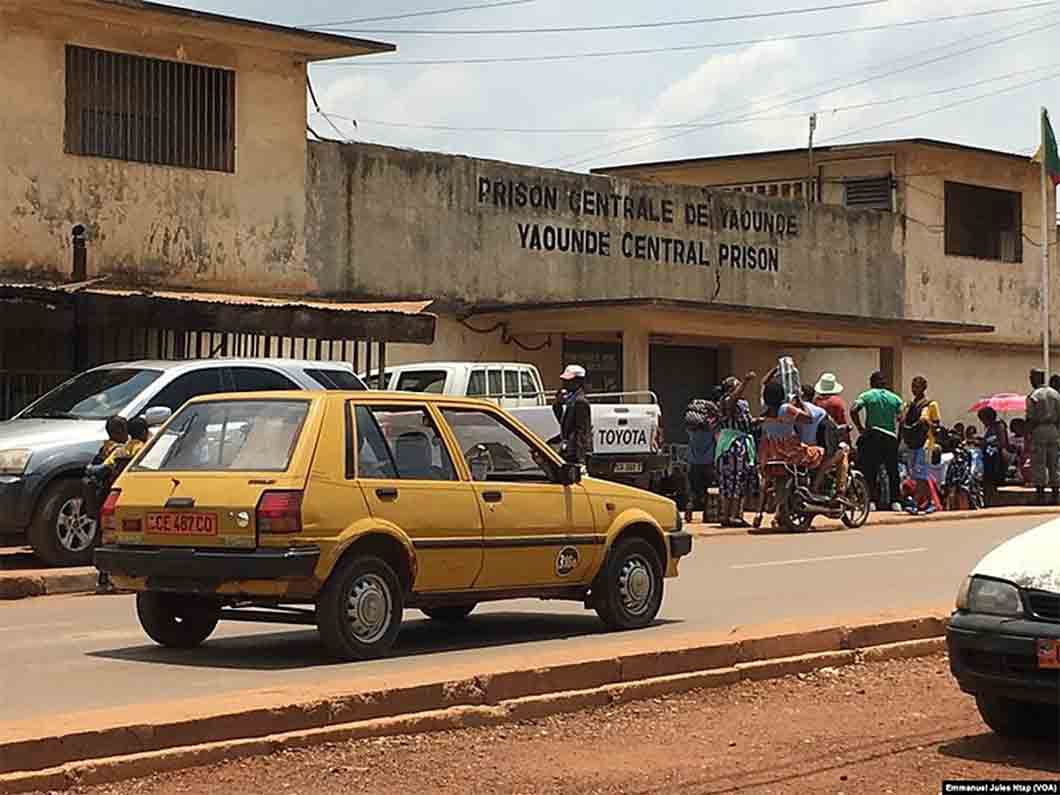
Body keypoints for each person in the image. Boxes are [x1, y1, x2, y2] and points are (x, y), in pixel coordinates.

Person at [758, 381, 825, 527]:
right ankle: (815, 490)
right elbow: (809, 419)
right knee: (820, 452)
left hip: (772, 455)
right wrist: (799, 403)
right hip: (792, 453)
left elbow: (763, 383)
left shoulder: (764, 410)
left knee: (767, 482)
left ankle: (760, 513)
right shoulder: (786, 409)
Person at [851, 370, 904, 511]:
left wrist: (860, 428)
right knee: (892, 470)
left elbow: (853, 409)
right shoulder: (895, 398)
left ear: (871, 383)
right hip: (890, 437)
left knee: (870, 470)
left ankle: (872, 501)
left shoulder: (867, 395)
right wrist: (898, 436)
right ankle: (895, 501)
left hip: (872, 435)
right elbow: (902, 418)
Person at [715, 371, 758, 528]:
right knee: (731, 480)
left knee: (740, 480)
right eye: (737, 384)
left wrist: (757, 421)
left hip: (742, 442)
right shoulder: (727, 401)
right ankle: (729, 515)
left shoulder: (742, 404)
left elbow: (745, 421)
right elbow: (732, 400)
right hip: (732, 445)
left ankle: (735, 514)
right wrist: (745, 382)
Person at [902, 376, 942, 514]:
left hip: (925, 443)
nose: (914, 389)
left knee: (922, 474)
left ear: (924, 388)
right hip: (912, 443)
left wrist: (927, 423)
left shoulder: (931, 404)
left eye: (917, 386)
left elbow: (937, 426)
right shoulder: (911, 405)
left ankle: (928, 502)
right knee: (914, 475)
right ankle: (920, 503)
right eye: (913, 386)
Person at [800, 384, 846, 493]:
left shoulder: (790, 408)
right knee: (842, 453)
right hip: (813, 452)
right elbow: (832, 429)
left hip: (797, 449)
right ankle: (839, 491)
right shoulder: (835, 403)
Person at [1025, 368, 1060, 504]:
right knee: (1054, 462)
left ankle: (1040, 495)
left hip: (1039, 429)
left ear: (1036, 378)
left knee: (1039, 462)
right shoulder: (1056, 394)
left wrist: (1028, 434)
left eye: (1031, 378)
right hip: (1053, 430)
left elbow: (1030, 418)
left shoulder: (1034, 395)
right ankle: (1056, 494)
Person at [684, 398, 719, 523]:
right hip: (708, 463)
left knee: (693, 490)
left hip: (693, 462)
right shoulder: (711, 429)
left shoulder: (691, 430)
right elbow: (717, 439)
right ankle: (706, 514)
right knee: (707, 490)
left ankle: (689, 509)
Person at [552, 365, 593, 465]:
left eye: (568, 381)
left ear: (578, 382)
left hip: (575, 452)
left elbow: (582, 432)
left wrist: (581, 460)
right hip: (570, 449)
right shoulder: (571, 399)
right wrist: (558, 403)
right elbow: (563, 422)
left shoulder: (580, 402)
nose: (565, 384)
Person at [978, 407, 1010, 506]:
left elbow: (1002, 442)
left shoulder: (999, 426)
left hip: (996, 457)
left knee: (993, 480)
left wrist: (986, 443)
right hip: (989, 457)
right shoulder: (990, 428)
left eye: (983, 419)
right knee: (988, 481)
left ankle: (993, 501)